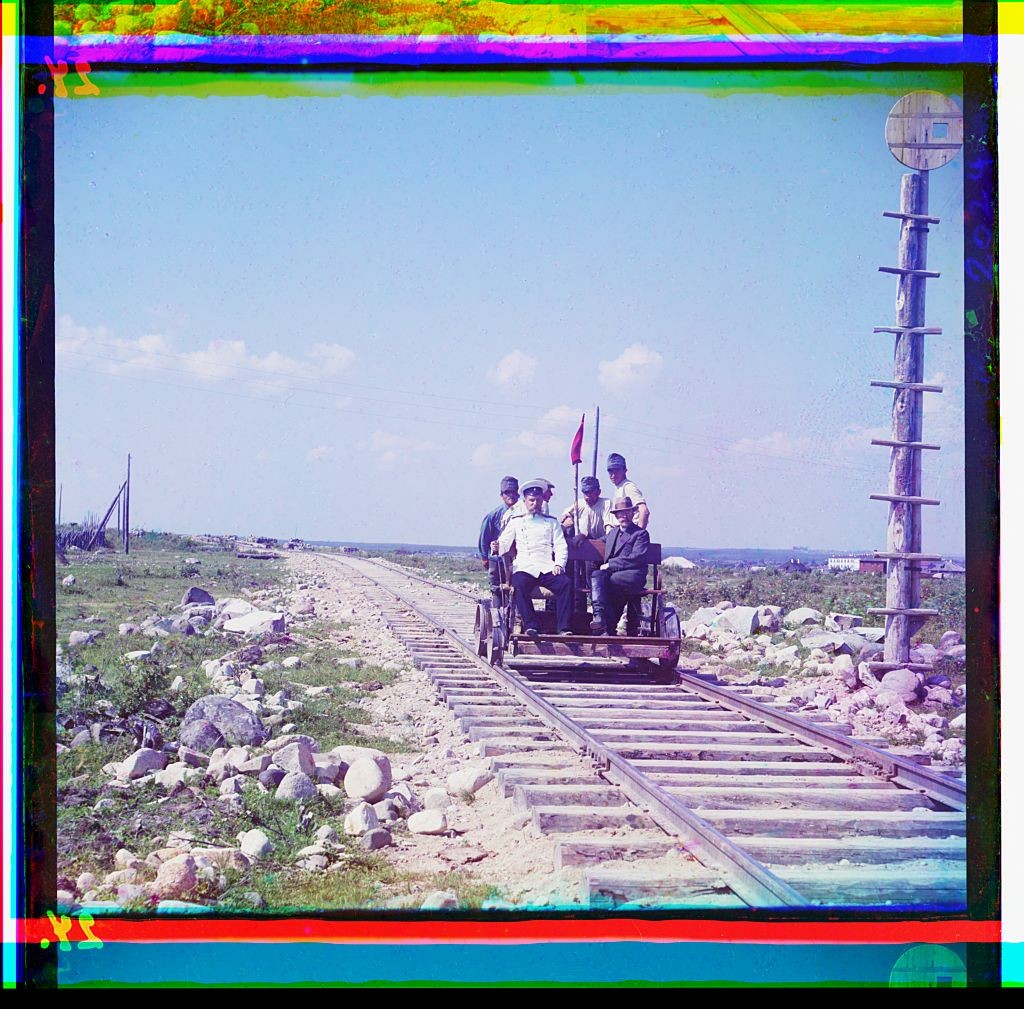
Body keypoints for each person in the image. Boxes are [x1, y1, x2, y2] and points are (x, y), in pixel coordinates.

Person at [496, 479, 572, 636]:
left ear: (542, 500)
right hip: (525, 567)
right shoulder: (517, 521)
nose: (535, 503)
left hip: (546, 566)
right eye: (531, 500)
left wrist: (559, 564)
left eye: (538, 499)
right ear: (525, 501)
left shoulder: (552, 522)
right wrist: (497, 546)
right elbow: (504, 543)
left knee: (566, 583)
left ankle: (563, 628)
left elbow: (560, 545)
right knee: (518, 584)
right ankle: (531, 625)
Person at [590, 496, 650, 636]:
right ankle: (599, 617)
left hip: (632, 575)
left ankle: (606, 624)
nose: (623, 516)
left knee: (606, 582)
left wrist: (610, 564)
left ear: (633, 513)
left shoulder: (640, 534)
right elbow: (596, 543)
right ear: (616, 516)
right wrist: (581, 538)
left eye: (627, 512)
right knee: (597, 575)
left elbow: (636, 558)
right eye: (620, 513)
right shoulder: (613, 533)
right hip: (613, 576)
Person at [478, 476, 518, 608]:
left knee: (516, 592)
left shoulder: (524, 513)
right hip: (498, 560)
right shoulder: (493, 515)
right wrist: (485, 557)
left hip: (518, 560)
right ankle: (497, 620)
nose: (511, 495)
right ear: (502, 495)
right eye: (507, 492)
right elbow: (484, 538)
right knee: (497, 590)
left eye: (513, 492)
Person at [605, 453, 649, 530]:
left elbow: (644, 510)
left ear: (625, 470)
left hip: (629, 531)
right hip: (620, 531)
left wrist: (639, 534)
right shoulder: (619, 487)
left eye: (617, 471)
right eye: (610, 471)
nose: (613, 475)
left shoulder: (628, 486)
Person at [560, 475, 612, 541]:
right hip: (581, 541)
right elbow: (565, 515)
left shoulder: (606, 503)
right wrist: (567, 518)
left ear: (598, 492)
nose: (588, 496)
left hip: (601, 540)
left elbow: (609, 529)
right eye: (585, 493)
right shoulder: (579, 504)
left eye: (591, 493)